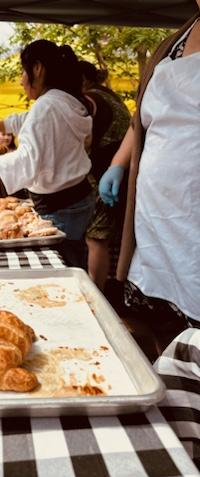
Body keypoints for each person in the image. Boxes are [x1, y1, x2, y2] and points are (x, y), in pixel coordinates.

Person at [98, 2, 200, 356]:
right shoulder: (173, 42)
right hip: (156, 213)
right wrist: (118, 163)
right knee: (161, 331)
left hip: (194, 212)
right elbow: (140, 118)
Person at [0, 40, 96, 268]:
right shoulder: (63, 101)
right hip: (76, 200)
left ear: (37, 69)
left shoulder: (48, 106)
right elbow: (23, 120)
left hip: (62, 207)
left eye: (22, 72)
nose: (21, 80)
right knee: (74, 259)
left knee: (63, 268)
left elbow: (26, 160)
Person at [77, 61, 130, 291]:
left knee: (96, 238)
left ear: (82, 79)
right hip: (123, 170)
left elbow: (83, 138)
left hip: (105, 175)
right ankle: (114, 288)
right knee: (109, 238)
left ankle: (97, 295)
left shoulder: (90, 99)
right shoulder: (112, 96)